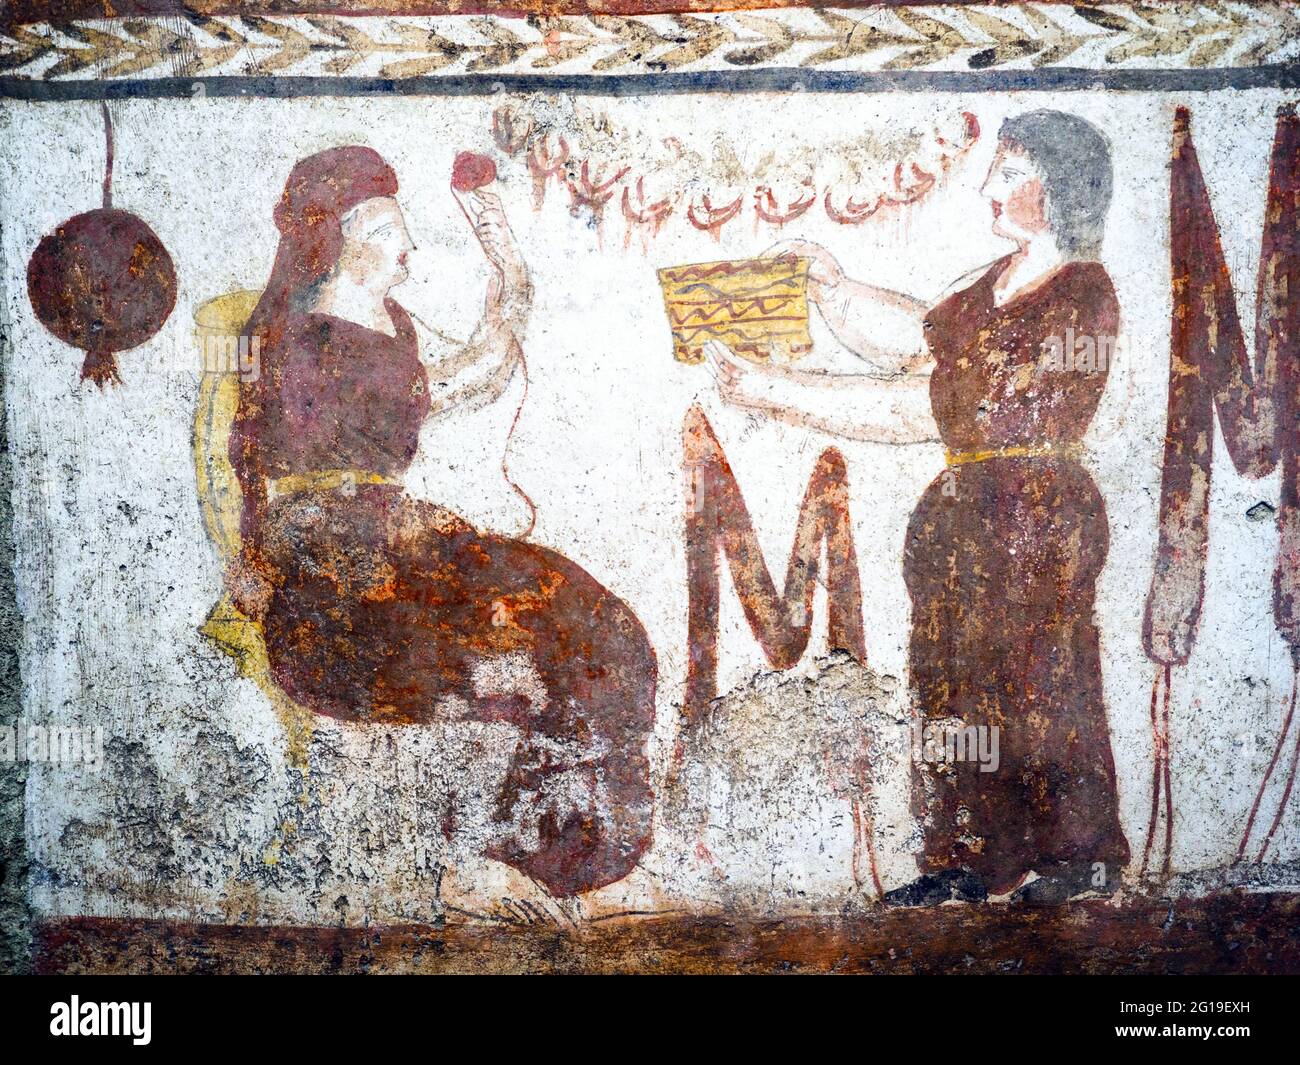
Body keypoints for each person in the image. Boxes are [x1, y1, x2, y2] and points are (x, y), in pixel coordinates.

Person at [704, 111, 1130, 903]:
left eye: (1008, 174)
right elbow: (920, 340)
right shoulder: (992, 284)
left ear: (1061, 189)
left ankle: (1079, 855)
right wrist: (830, 287)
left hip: (1038, 513)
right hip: (961, 517)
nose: (987, 188)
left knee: (1043, 678)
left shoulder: (1080, 296)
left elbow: (933, 403)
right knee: (950, 683)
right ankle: (966, 857)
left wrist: (776, 393)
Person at [226, 145, 655, 898]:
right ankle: (525, 849)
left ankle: (553, 844)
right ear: (344, 237)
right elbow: (470, 375)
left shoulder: (389, 325)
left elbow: (479, 370)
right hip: (341, 594)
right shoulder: (297, 343)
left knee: (590, 628)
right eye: (393, 230)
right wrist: (507, 269)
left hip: (400, 550)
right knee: (542, 643)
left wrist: (506, 264)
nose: (411, 250)